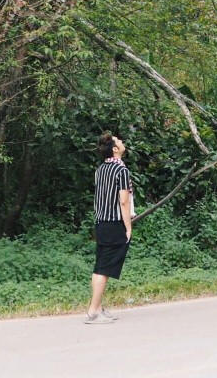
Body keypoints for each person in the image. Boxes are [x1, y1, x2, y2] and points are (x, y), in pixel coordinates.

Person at [85, 132, 134, 324]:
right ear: (115, 149)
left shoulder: (100, 170)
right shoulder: (121, 171)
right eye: (119, 142)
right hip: (114, 223)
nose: (122, 143)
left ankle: (97, 307)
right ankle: (92, 313)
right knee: (103, 269)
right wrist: (128, 227)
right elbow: (123, 201)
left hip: (101, 222)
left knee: (100, 266)